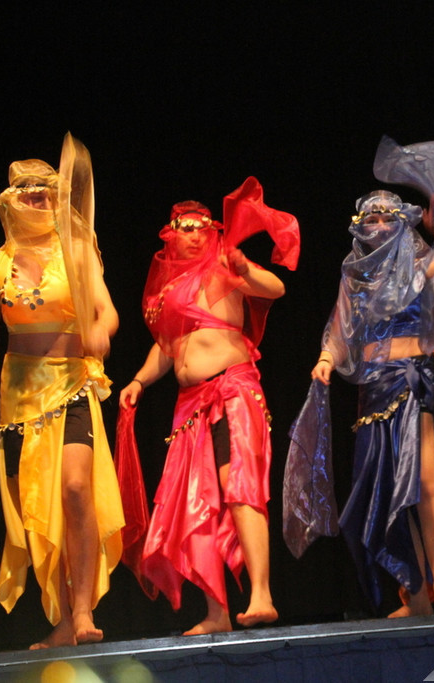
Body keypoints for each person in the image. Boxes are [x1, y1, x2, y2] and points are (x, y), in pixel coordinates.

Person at [0, 134, 124, 649]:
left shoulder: (77, 250)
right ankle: (63, 618)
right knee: (38, 510)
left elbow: (106, 311)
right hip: (19, 397)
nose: (36, 198)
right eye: (26, 191)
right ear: (10, 199)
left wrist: (101, 332)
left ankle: (83, 610)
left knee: (75, 489)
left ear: (56, 198)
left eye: (45, 191)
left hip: (71, 384)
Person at [118, 181, 298, 635]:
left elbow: (276, 288)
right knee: (198, 500)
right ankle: (217, 613)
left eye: (203, 228)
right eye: (186, 229)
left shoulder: (222, 265)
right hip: (190, 403)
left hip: (232, 390)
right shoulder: (169, 288)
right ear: (170, 235)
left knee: (238, 487)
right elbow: (167, 347)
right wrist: (139, 380)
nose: (196, 235)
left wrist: (245, 269)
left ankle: (262, 595)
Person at [309, 189, 434, 617]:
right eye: (372, 220)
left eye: (387, 219)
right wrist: (326, 359)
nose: (379, 226)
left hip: (413, 377)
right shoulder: (355, 277)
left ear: (402, 224)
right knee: (390, 495)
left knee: (427, 483)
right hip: (374, 389)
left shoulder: (418, 264)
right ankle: (416, 596)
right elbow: (340, 330)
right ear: (360, 228)